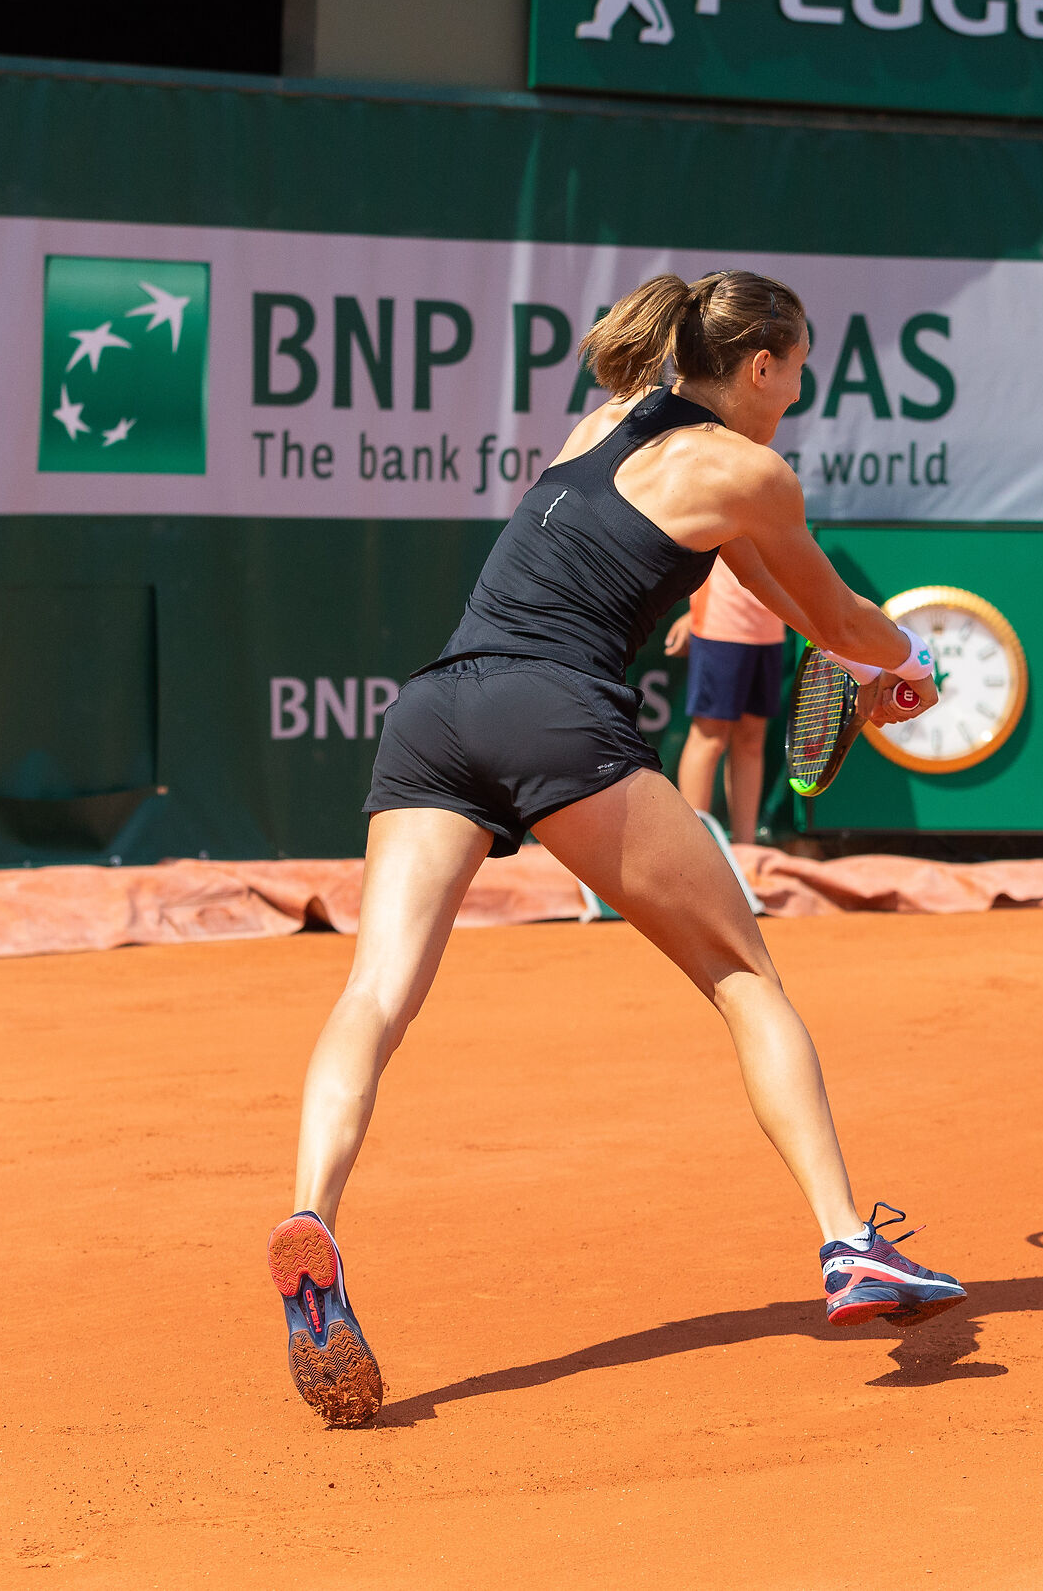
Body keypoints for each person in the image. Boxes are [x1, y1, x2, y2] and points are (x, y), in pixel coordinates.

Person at [264, 271, 966, 1427]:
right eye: (797, 368)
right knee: (745, 977)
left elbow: (772, 588)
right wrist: (904, 663)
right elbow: (837, 617)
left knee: (377, 993)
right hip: (552, 711)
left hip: (435, 707)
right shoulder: (753, 469)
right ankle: (851, 1245)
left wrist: (857, 656)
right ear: (760, 366)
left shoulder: (604, 423)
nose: (800, 389)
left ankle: (313, 1217)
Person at [662, 555, 786, 842]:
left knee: (752, 739)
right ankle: (694, 845)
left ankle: (745, 846)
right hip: (720, 622)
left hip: (772, 626)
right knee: (710, 737)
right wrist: (694, 610)